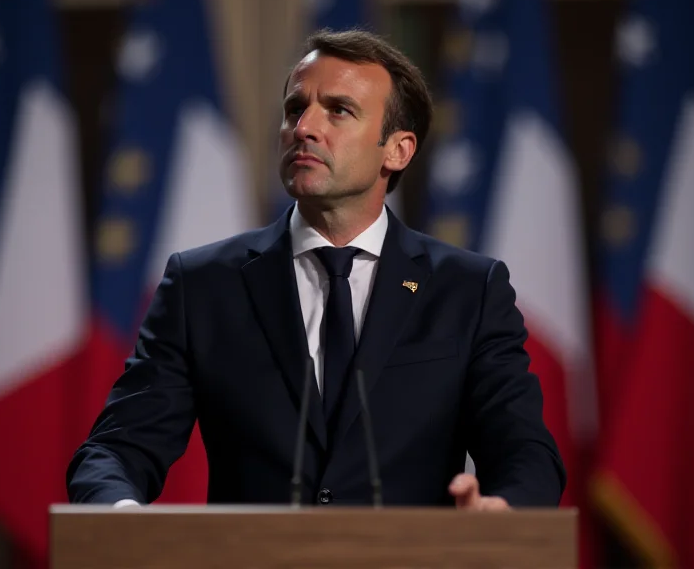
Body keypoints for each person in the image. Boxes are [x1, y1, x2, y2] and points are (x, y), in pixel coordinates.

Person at [66, 28, 565, 510]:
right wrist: (121, 519)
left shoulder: (467, 290)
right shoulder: (202, 285)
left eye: (339, 111)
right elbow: (115, 451)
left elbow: (525, 453)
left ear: (397, 150)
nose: (304, 128)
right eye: (294, 109)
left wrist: (503, 511)